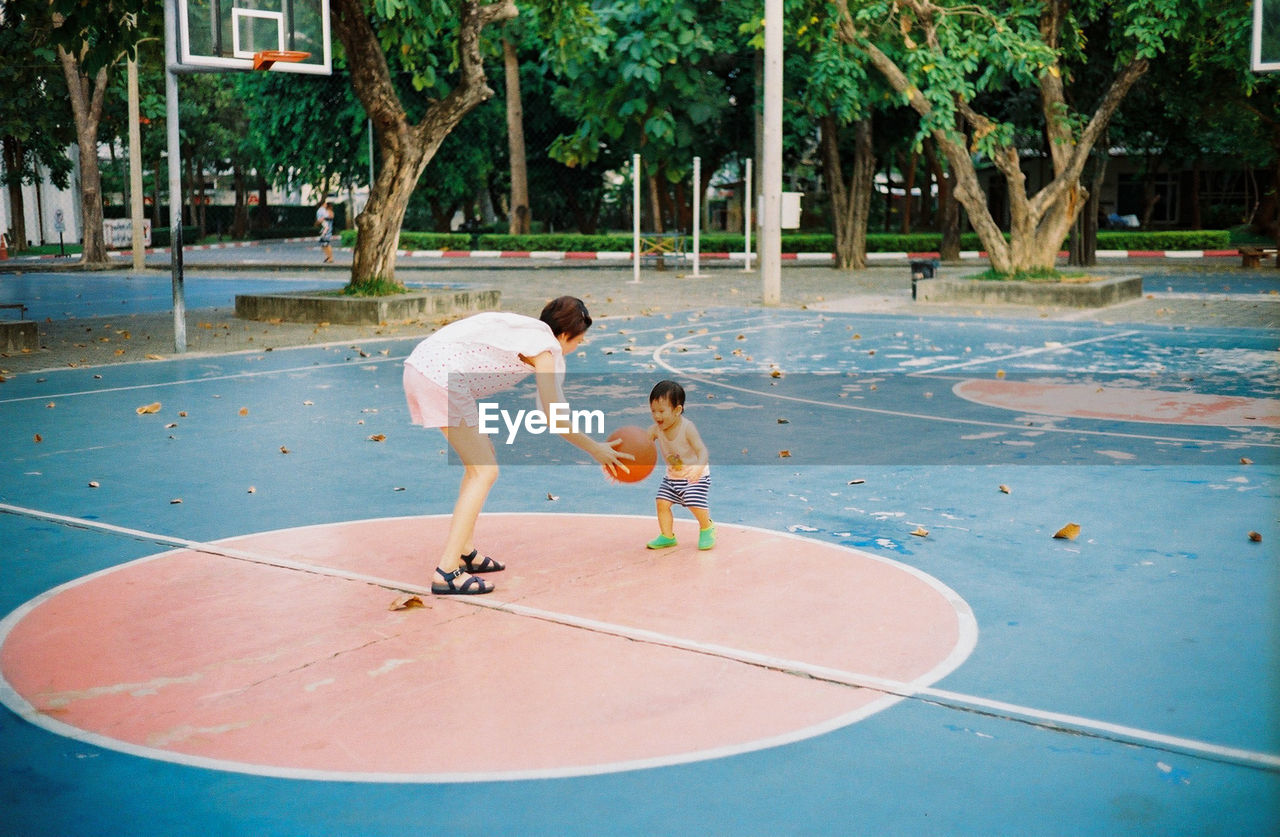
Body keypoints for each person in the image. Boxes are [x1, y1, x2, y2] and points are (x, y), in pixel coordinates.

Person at [403, 296, 632, 595]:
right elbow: (555, 417)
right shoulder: (546, 349)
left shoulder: (526, 329)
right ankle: (446, 571)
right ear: (564, 335)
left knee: (480, 464)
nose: (578, 346)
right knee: (484, 471)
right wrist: (596, 448)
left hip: (423, 366)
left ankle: (465, 551)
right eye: (579, 340)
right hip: (442, 376)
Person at [644, 379, 715, 551]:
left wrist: (698, 469)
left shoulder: (687, 428)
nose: (657, 416)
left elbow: (702, 451)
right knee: (661, 502)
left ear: (677, 410)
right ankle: (667, 536)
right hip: (672, 477)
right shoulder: (655, 430)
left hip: (694, 476)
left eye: (661, 411)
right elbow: (642, 445)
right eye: (653, 411)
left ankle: (707, 527)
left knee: (693, 500)